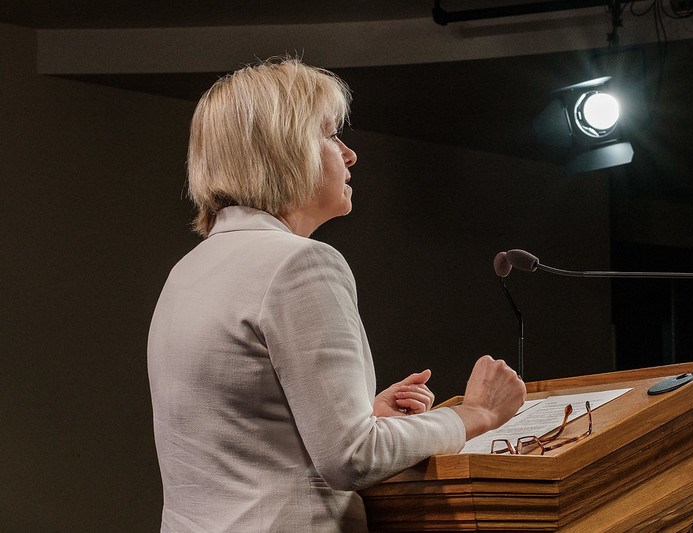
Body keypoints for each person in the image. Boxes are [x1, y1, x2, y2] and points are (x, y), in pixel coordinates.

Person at [147, 57, 526, 533]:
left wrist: (365, 415)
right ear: (284, 150)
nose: (349, 155)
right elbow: (352, 457)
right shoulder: (300, 263)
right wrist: (475, 414)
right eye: (329, 135)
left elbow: (243, 437)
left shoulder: (188, 271)